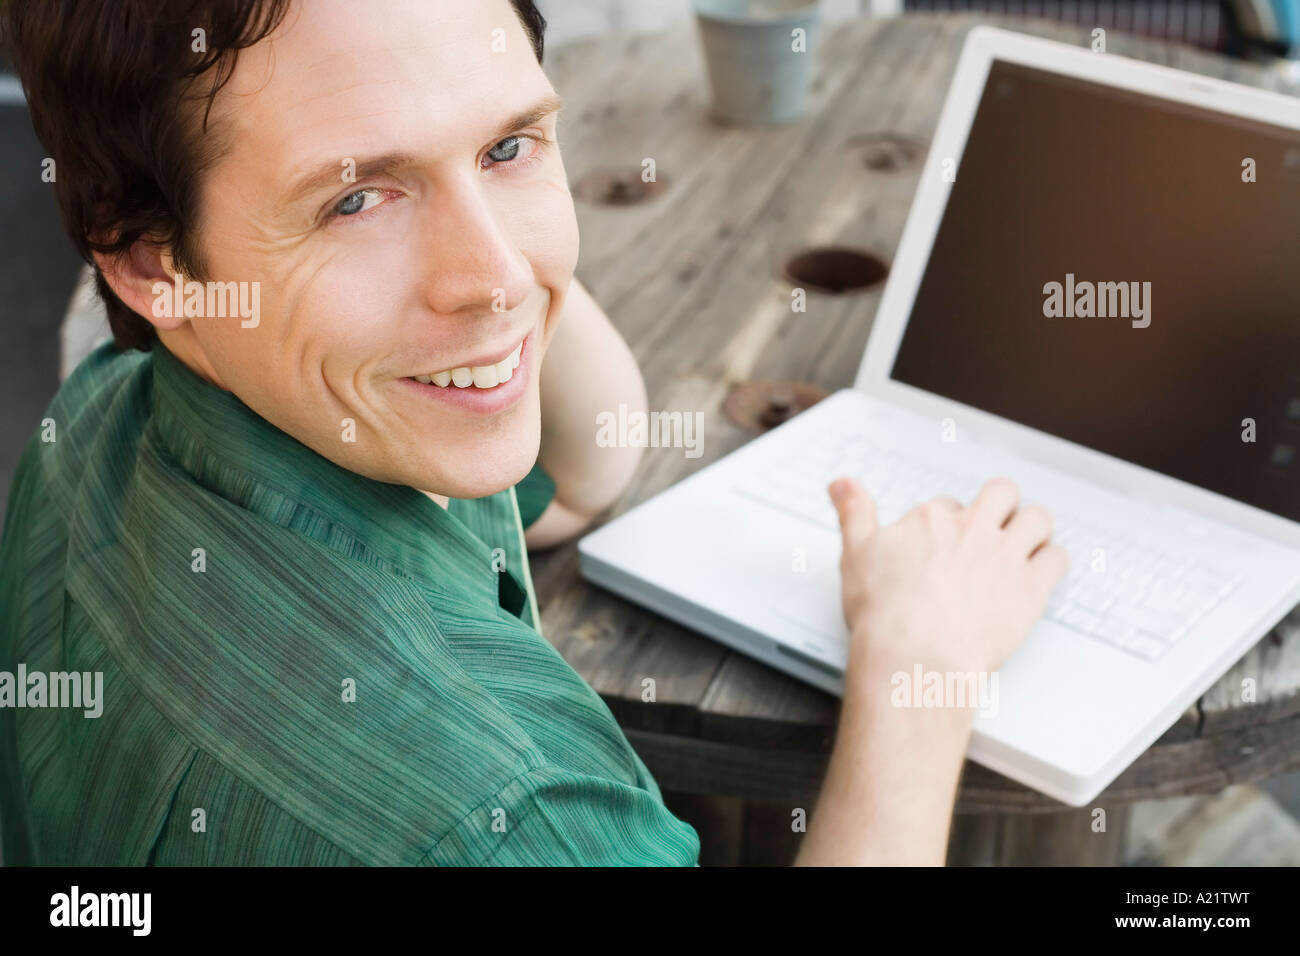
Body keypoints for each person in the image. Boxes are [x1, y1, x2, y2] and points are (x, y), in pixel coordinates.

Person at [0, 0, 1067, 866]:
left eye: (511, 144)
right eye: (356, 201)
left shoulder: (104, 417)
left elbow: (582, 474)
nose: (495, 272)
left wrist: (510, 275)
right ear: (150, 264)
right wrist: (918, 674)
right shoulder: (503, 816)